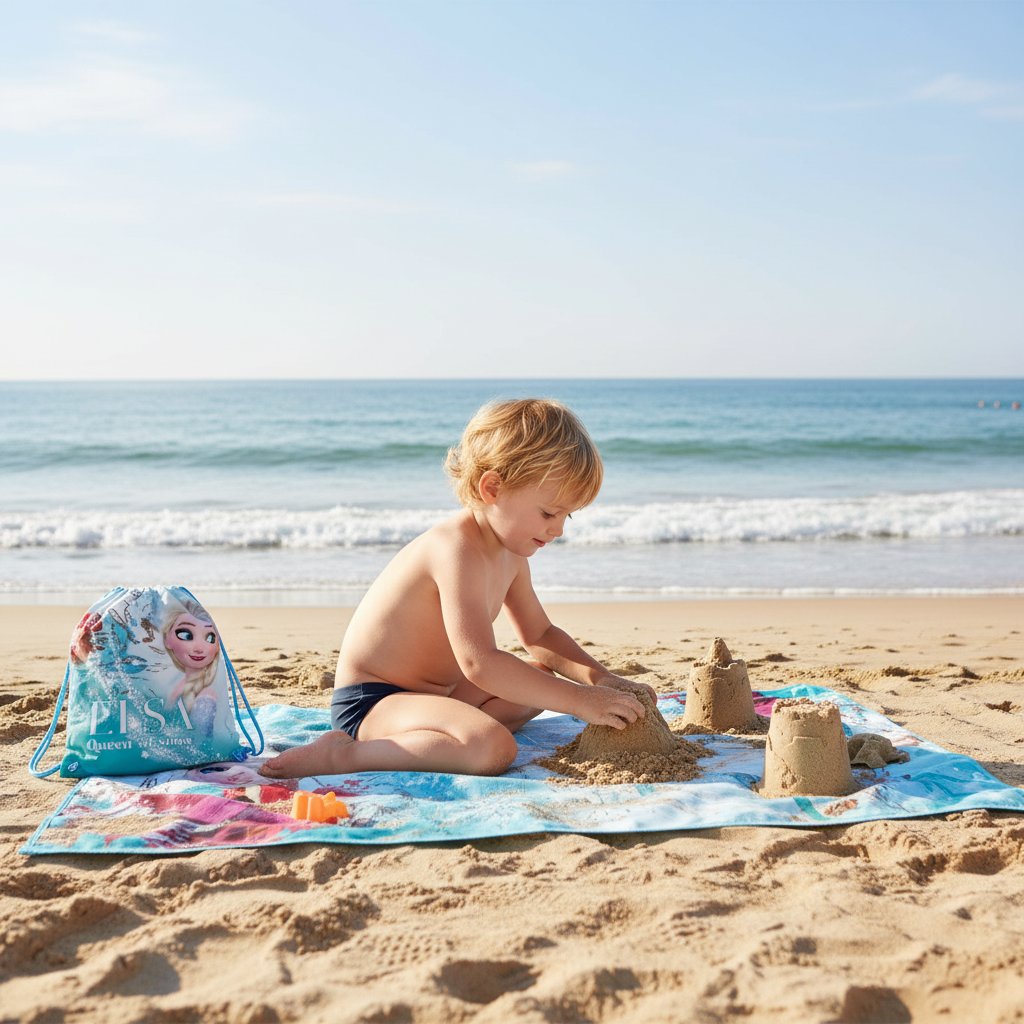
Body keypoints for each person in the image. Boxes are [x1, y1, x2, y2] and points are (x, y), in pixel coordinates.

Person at [259, 399, 653, 781]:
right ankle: (344, 754)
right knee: (493, 748)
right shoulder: (455, 549)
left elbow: (540, 636)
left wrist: (601, 681)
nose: (559, 529)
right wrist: (579, 702)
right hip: (374, 703)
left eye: (568, 515)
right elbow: (479, 662)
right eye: (549, 513)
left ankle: (443, 732)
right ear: (492, 488)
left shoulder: (511, 556)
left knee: (535, 678)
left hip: (439, 696)